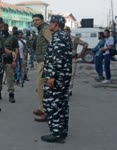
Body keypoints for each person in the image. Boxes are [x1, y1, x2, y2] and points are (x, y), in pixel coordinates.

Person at [41, 15, 72, 143]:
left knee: (52, 104)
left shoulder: (59, 37)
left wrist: (51, 76)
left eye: (51, 23)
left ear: (56, 24)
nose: (49, 25)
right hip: (63, 76)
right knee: (62, 103)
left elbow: (57, 59)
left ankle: (56, 133)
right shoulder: (64, 35)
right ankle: (62, 131)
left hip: (57, 77)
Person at [32, 14, 52, 122]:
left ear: (42, 20)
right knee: (40, 87)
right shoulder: (41, 30)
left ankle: (46, 111)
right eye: (34, 20)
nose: (35, 22)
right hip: (41, 61)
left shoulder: (45, 29)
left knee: (41, 87)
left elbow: (53, 43)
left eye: (37, 20)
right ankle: (42, 108)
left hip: (45, 61)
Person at [0, 23, 18, 103]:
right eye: (2, 27)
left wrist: (14, 61)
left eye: (5, 27)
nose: (3, 29)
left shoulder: (13, 38)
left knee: (10, 79)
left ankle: (11, 94)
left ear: (8, 28)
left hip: (9, 61)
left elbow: (16, 50)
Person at [64, 26, 88, 96]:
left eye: (67, 31)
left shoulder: (74, 39)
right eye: (64, 31)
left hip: (73, 59)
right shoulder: (61, 40)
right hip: (64, 60)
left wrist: (81, 54)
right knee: (64, 75)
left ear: (69, 31)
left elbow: (85, 44)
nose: (66, 32)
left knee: (72, 75)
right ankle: (65, 89)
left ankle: (69, 90)